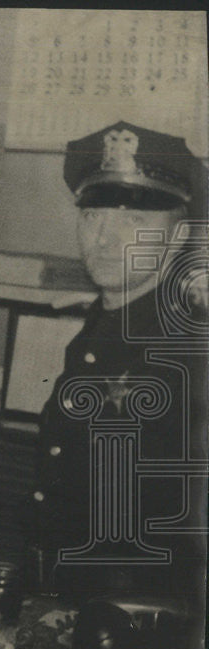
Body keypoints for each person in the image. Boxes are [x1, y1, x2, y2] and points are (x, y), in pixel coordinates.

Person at [35, 120, 207, 601]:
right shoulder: (99, 326)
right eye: (93, 218)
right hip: (73, 597)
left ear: (176, 239)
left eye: (134, 223)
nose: (105, 241)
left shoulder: (188, 348)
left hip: (146, 615)